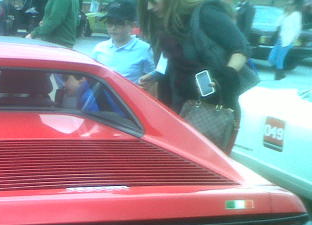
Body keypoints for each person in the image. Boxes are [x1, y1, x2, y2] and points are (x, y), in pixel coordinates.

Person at [137, 0, 249, 130]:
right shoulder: (165, 20)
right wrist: (156, 74)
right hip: (175, 104)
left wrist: (225, 75)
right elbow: (173, 58)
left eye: (153, 2)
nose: (149, 7)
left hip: (208, 106)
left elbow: (242, 48)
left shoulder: (206, 13)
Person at [90, 0, 155, 83]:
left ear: (132, 25)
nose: (113, 28)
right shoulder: (99, 48)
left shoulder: (144, 49)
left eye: (119, 23)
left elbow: (151, 80)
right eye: (109, 23)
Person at [268, 0, 302, 80]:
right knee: (271, 58)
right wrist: (284, 14)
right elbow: (277, 24)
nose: (288, 6)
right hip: (280, 39)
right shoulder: (285, 14)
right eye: (287, 4)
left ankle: (278, 75)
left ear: (294, 6)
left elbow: (298, 29)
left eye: (290, 4)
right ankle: (281, 73)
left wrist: (293, 40)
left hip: (288, 40)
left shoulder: (296, 15)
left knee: (280, 59)